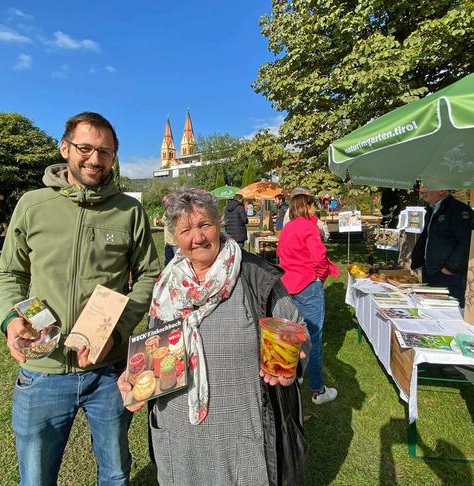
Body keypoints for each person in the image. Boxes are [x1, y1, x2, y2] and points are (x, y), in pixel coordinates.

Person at [0, 112, 161, 486]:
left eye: (105, 151)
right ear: (64, 147)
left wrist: (117, 332)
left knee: (116, 473)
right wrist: (10, 318)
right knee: (35, 478)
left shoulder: (129, 211)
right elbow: (10, 273)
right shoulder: (33, 205)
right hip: (44, 371)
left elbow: (149, 274)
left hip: (109, 370)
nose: (95, 159)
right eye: (85, 148)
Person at [118, 188, 308, 485]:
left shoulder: (254, 275)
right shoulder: (167, 284)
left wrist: (295, 357)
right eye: (185, 230)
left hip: (239, 432)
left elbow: (295, 328)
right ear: (174, 238)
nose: (198, 238)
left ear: (219, 224)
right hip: (179, 432)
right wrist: (135, 375)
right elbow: (156, 346)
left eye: (204, 225)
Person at [277, 186, 339, 405]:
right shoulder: (308, 227)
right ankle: (318, 390)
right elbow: (319, 256)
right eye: (313, 205)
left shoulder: (287, 229)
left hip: (289, 285)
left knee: (294, 334)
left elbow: (281, 256)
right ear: (307, 207)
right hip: (307, 284)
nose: (316, 209)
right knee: (313, 337)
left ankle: (296, 376)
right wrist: (320, 277)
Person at [411, 189, 474, 307]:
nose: (423, 190)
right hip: (431, 270)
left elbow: (466, 242)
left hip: (448, 275)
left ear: (441, 191)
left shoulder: (458, 210)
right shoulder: (432, 209)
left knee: (446, 310)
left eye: (428, 187)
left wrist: (450, 268)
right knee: (428, 307)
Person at [162, 194, 178, 266]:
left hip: (176, 243)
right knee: (168, 259)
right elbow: (164, 221)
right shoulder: (165, 214)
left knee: (177, 261)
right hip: (168, 242)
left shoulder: (177, 215)